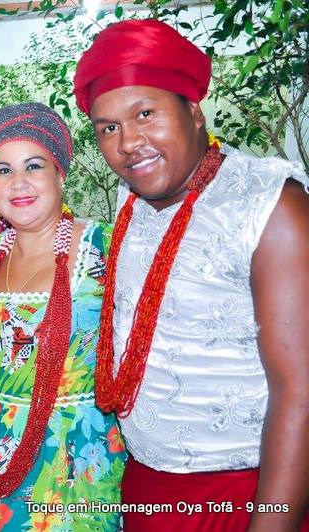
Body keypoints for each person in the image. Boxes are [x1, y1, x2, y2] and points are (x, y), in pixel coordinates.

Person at [73, 19, 309, 531]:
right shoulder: (133, 205)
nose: (128, 142)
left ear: (194, 111)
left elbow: (301, 389)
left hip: (247, 495)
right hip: (148, 490)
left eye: (146, 113)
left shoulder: (269, 204)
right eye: (108, 128)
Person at [0, 103, 126, 531]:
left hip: (73, 458)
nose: (19, 183)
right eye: (4, 171)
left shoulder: (104, 248)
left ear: (60, 173)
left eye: (33, 166)